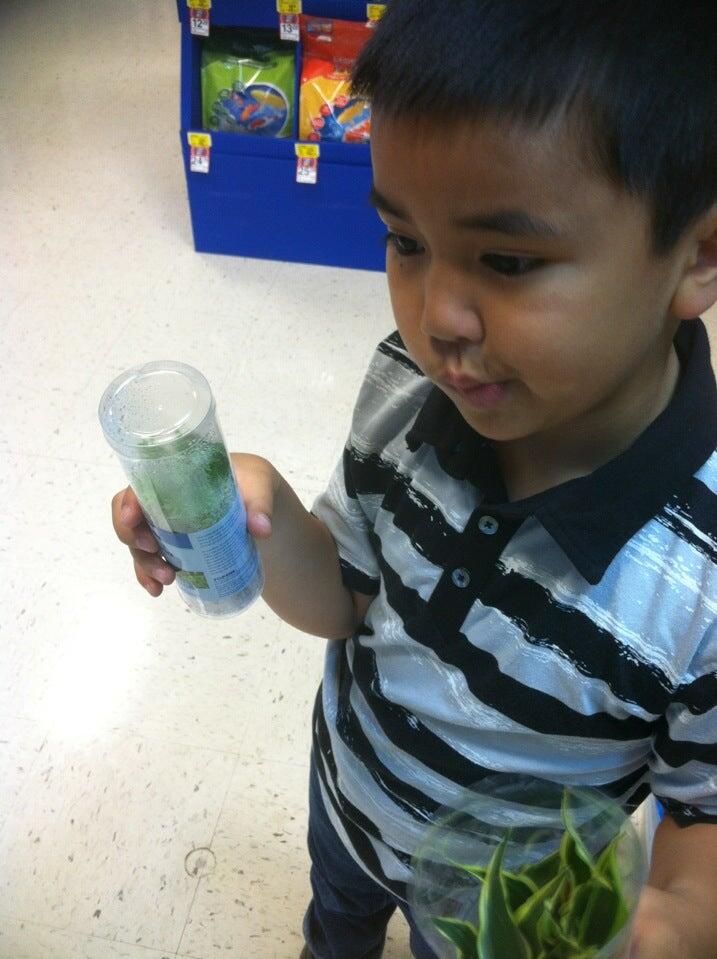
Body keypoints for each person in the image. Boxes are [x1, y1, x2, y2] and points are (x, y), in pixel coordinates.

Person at [112, 1, 717, 956]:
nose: (436, 318)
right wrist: (254, 512)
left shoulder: (702, 581)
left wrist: (677, 918)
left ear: (696, 255)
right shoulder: (410, 387)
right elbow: (345, 598)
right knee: (336, 923)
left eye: (507, 259)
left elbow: (701, 806)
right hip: (348, 800)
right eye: (405, 242)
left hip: (498, 914)